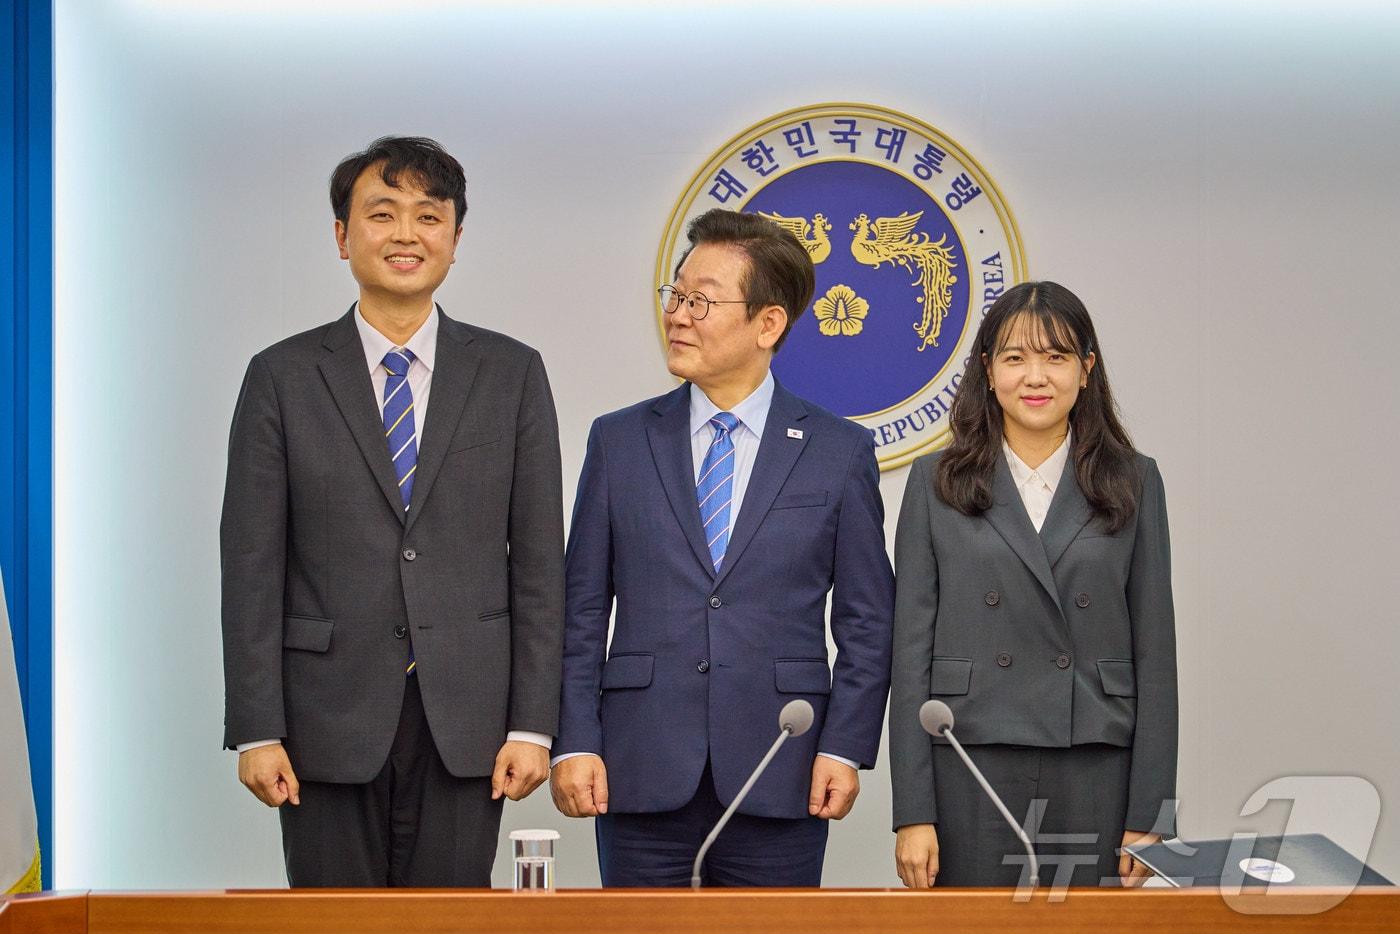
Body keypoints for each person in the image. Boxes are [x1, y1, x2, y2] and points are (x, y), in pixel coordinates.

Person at [220, 136, 564, 887]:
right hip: (322, 719)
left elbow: (541, 564)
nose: (406, 234)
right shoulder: (281, 377)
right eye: (382, 214)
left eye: (428, 216)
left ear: (455, 240)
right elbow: (251, 564)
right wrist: (258, 728)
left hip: (469, 719)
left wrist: (533, 725)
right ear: (342, 237)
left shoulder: (511, 373)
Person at [550, 208, 894, 887]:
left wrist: (845, 748)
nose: (677, 315)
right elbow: (581, 610)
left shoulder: (837, 451)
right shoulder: (619, 442)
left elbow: (867, 620)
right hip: (639, 764)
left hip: (781, 765)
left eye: (700, 301)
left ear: (768, 323)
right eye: (675, 296)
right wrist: (577, 739)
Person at [889, 281, 1177, 889]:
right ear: (988, 370)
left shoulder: (1134, 480)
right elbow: (908, 654)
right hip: (969, 759)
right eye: (1016, 358)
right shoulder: (935, 481)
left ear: (1087, 369)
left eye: (1056, 356)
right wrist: (913, 812)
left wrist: (1151, 814)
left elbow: (1157, 653)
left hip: (1097, 762)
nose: (1035, 376)